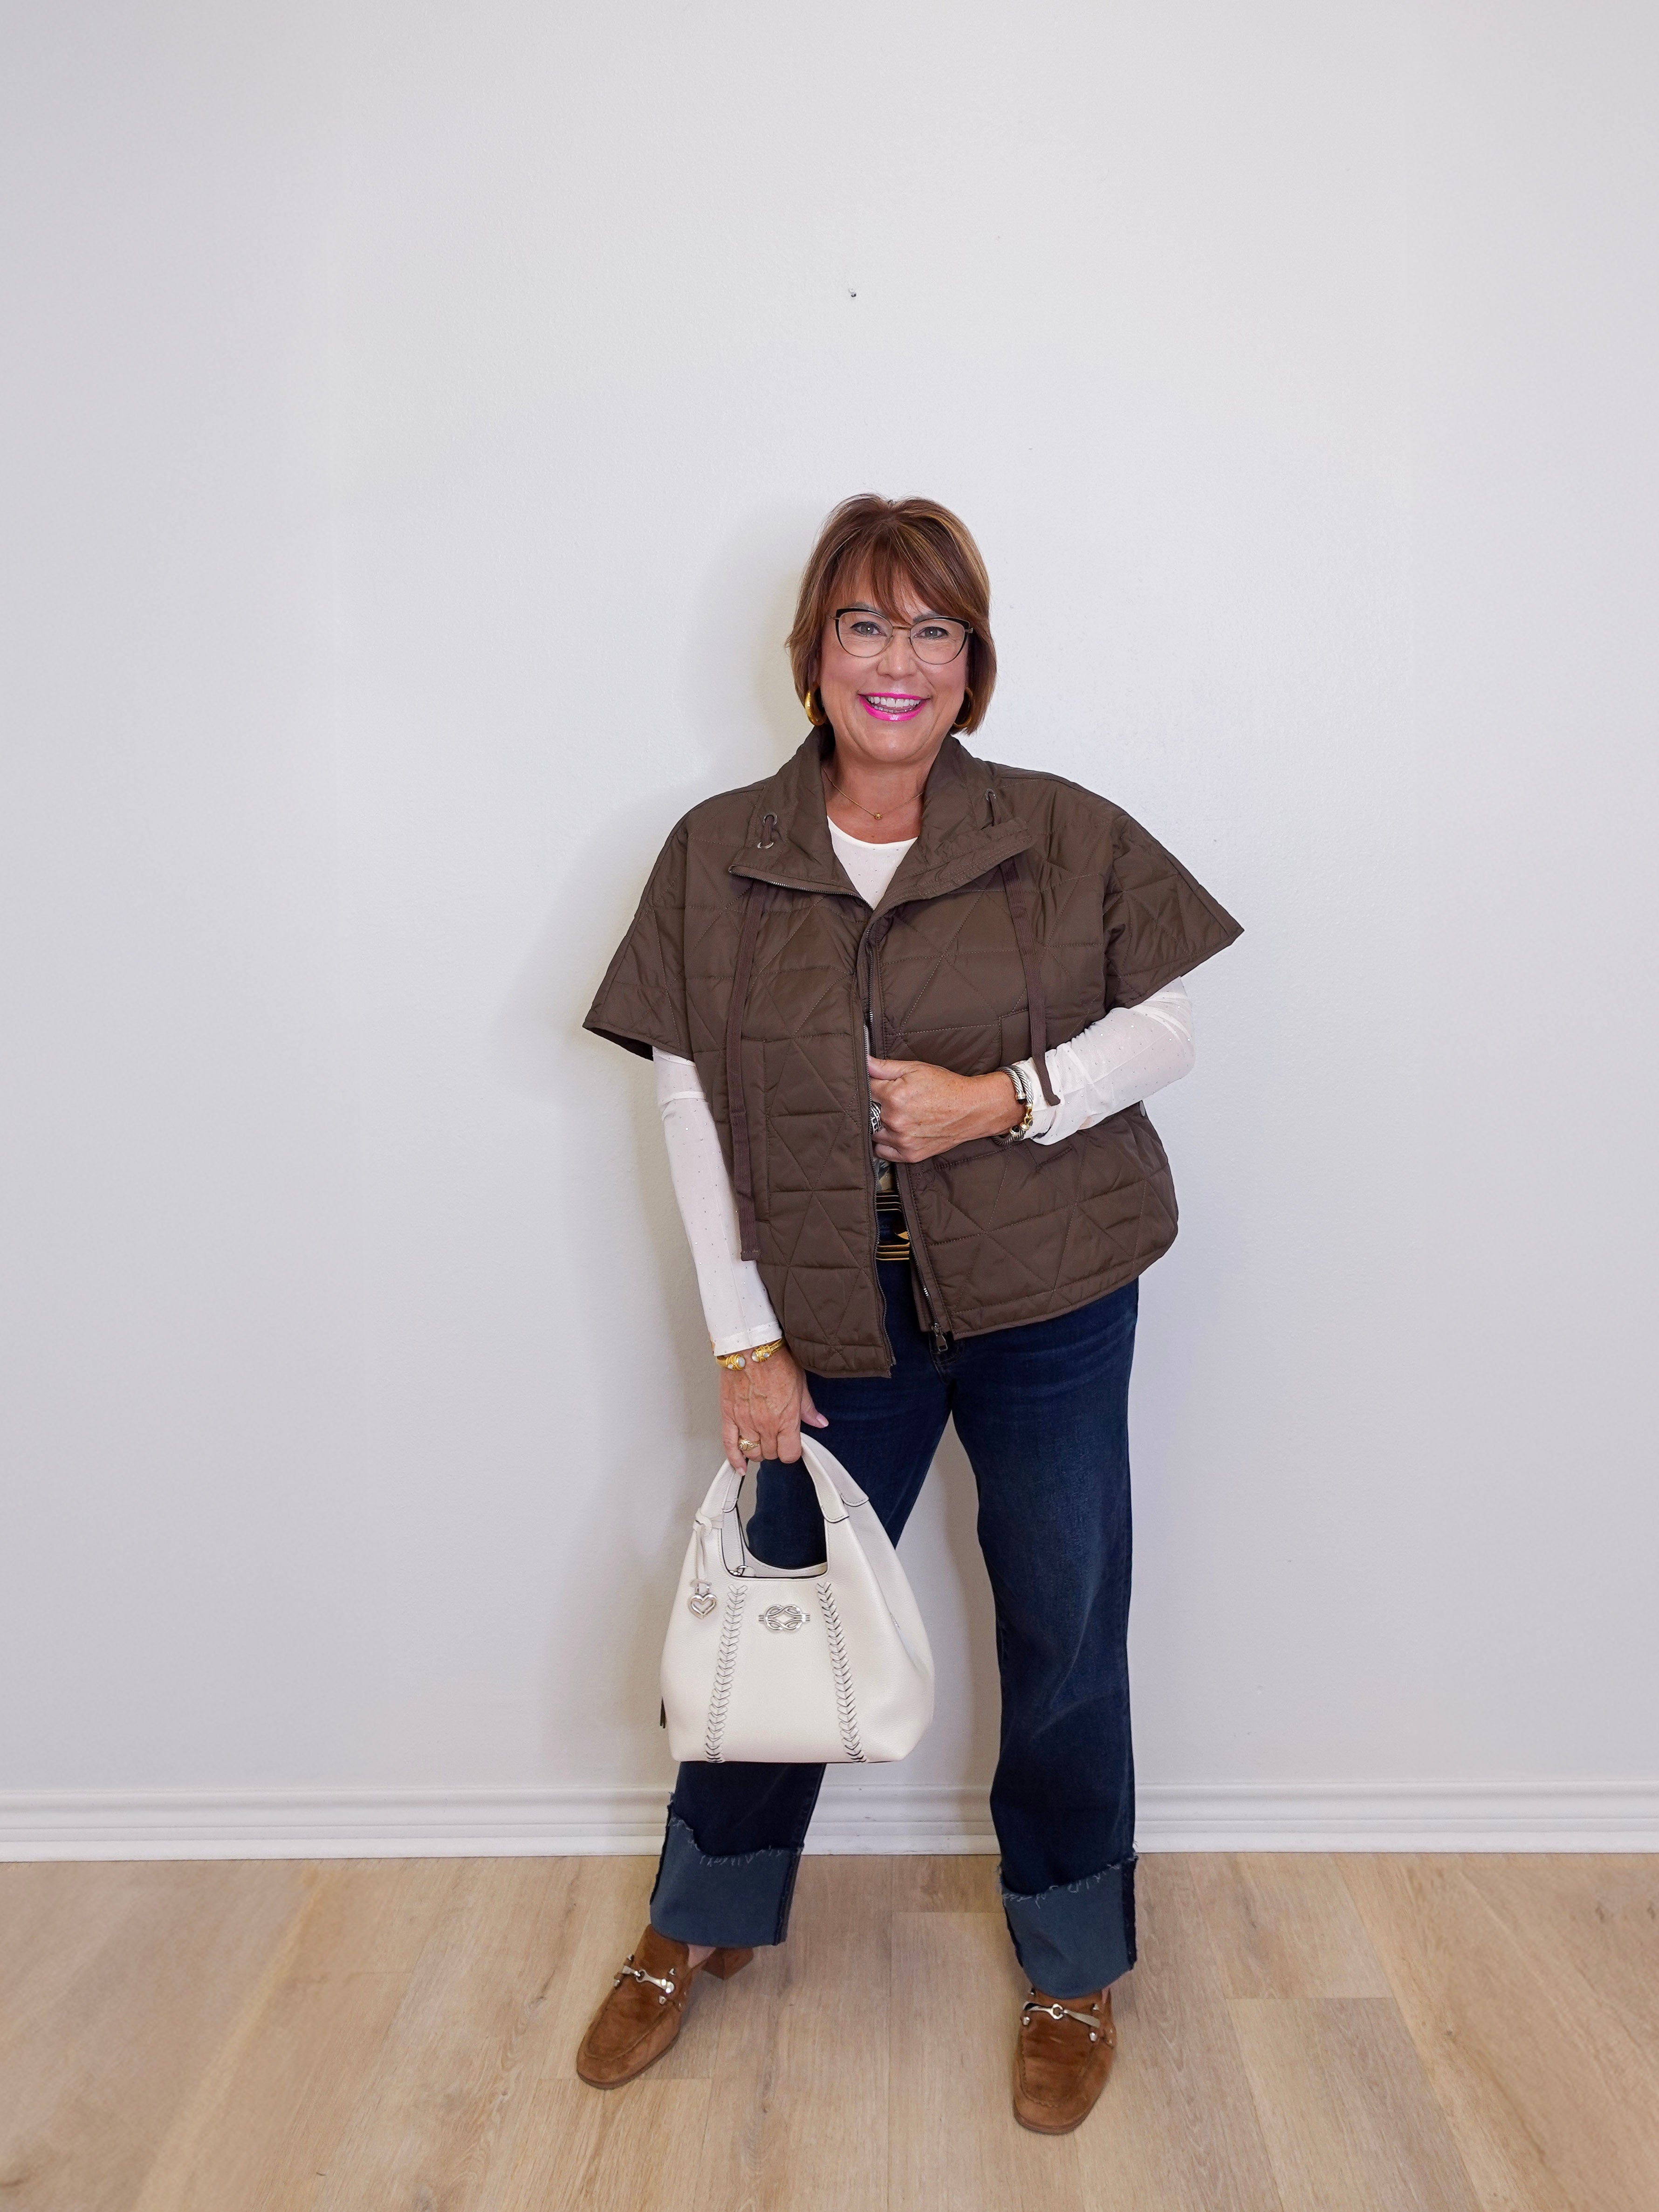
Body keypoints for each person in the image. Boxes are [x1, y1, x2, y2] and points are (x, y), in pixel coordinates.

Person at [577, 494, 1241, 2133]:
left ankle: (1074, 1956)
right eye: (866, 626)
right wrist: (744, 1339)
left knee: (1065, 1617)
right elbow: (684, 1104)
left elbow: (1163, 1029)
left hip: (1049, 1291)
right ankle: (705, 1915)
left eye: (933, 630)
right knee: (777, 1602)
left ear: (972, 660)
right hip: (828, 1305)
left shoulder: (1055, 828)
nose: (899, 662)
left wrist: (999, 1098)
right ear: (813, 653)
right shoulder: (719, 852)